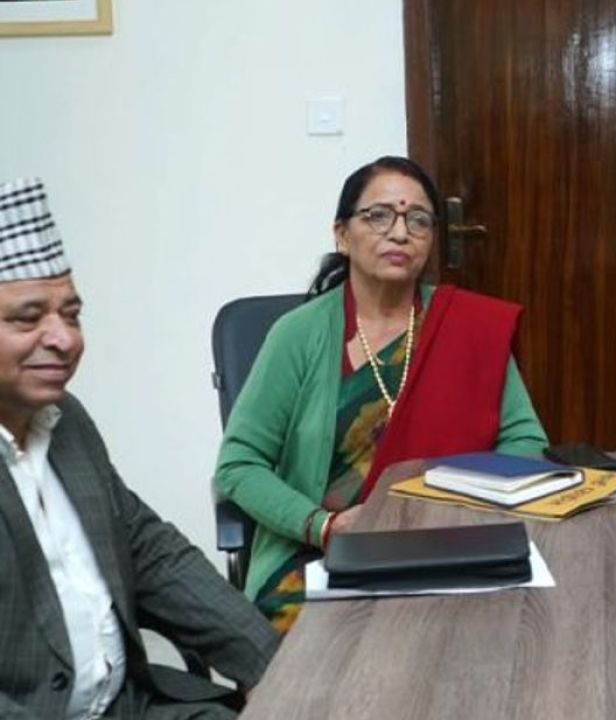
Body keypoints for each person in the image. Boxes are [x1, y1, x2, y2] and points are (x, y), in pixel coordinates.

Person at [215, 156, 548, 632]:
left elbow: (525, 440)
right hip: (322, 551)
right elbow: (239, 464)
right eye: (379, 216)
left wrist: (462, 510)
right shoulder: (297, 335)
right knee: (329, 648)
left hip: (449, 543)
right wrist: (324, 526)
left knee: (509, 631)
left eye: (418, 219)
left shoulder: (467, 327)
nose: (400, 232)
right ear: (342, 235)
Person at [0, 178, 278, 718]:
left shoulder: (67, 421)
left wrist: (271, 666)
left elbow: (150, 553)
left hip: (130, 705)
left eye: (71, 315)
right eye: (28, 318)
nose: (64, 339)